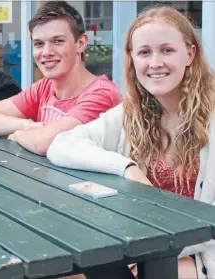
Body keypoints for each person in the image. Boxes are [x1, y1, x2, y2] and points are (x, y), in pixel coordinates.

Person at [47, 6, 215, 279]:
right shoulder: (132, 114)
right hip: (142, 246)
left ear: (190, 54)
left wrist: (150, 250)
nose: (155, 62)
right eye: (145, 52)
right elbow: (62, 144)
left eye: (167, 50)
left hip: (200, 251)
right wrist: (127, 168)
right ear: (132, 59)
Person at [0, 1, 122, 156]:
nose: (46, 52)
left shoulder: (102, 93)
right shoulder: (45, 86)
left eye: (58, 41)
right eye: (39, 44)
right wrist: (26, 125)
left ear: (81, 43)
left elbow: (45, 143)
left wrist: (16, 135)